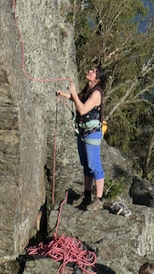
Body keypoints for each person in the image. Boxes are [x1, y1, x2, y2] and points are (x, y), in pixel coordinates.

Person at [58, 65, 105, 211]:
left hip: (92, 133)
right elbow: (79, 100)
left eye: (93, 71)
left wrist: (72, 92)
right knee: (86, 164)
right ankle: (87, 195)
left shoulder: (96, 93)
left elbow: (83, 109)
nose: (89, 71)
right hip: (84, 132)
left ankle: (99, 198)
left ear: (97, 78)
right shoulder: (88, 90)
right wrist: (65, 95)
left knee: (94, 165)